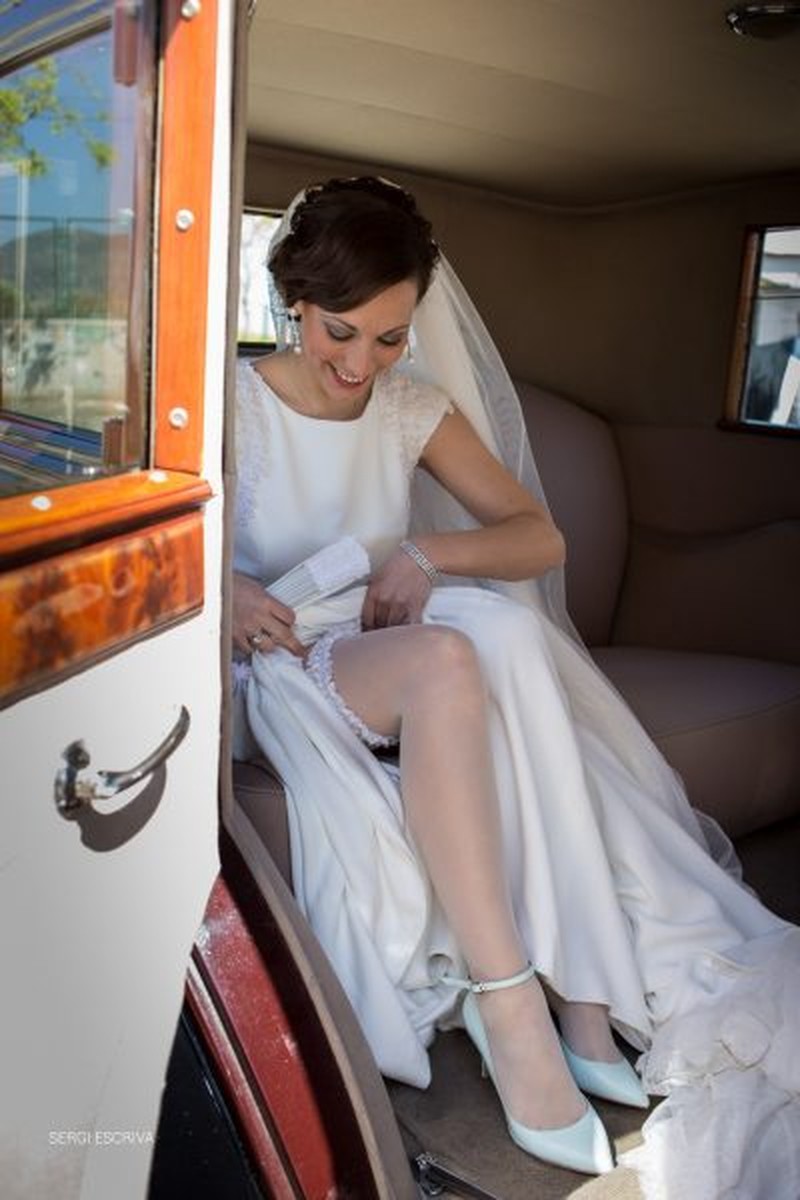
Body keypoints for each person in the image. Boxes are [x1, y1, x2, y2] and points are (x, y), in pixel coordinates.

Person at [231, 177, 800, 1191]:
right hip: (275, 660)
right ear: (290, 301)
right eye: (338, 332)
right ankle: (516, 1006)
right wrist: (225, 589)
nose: (360, 365)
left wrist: (426, 551)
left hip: (381, 637)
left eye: (390, 338)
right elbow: (152, 541)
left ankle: (575, 994)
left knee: (493, 624)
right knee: (461, 648)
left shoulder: (409, 406)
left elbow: (536, 535)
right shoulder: (227, 402)